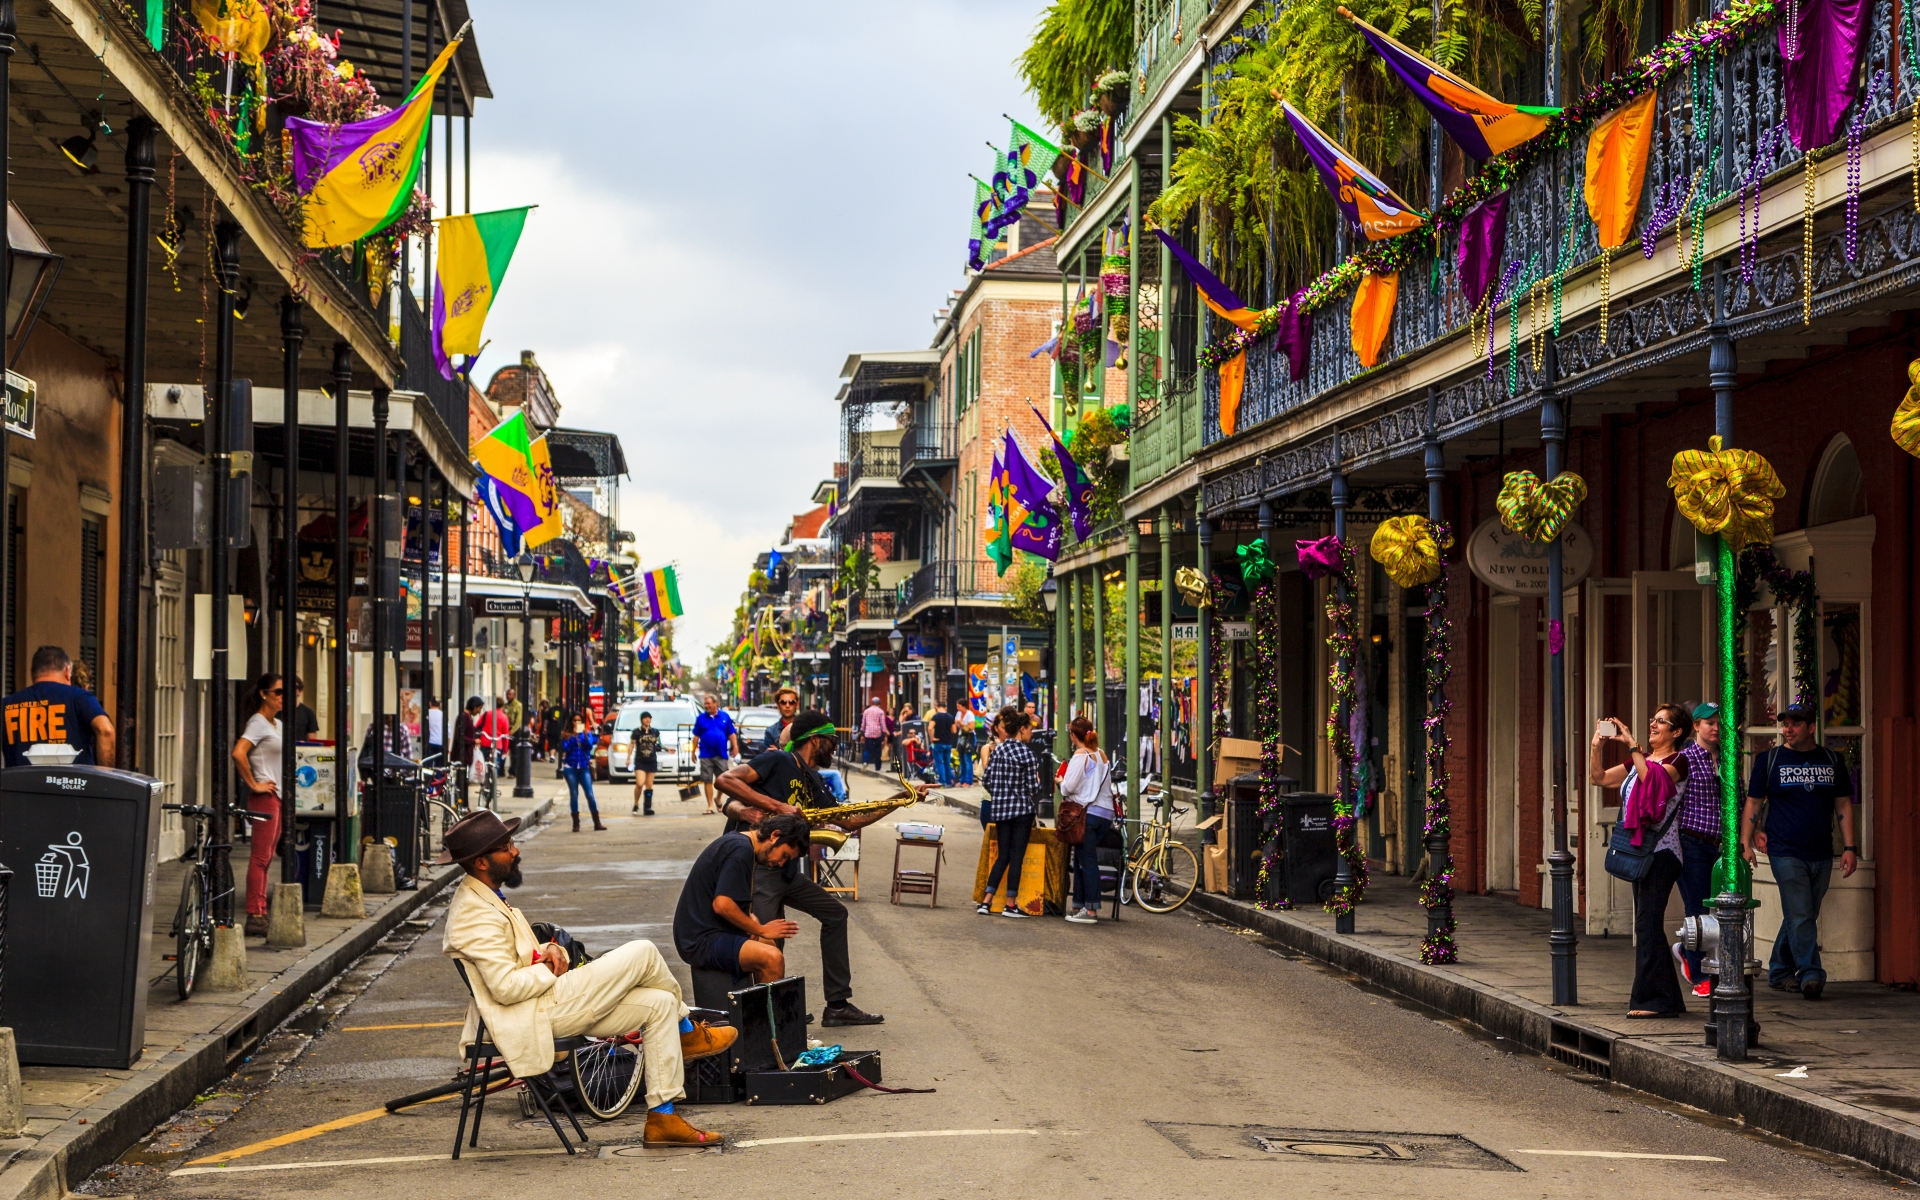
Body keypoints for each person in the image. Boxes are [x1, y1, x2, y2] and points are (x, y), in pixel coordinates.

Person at [438, 810, 736, 1147]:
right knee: (644, 951)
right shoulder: (472, 915)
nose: (516, 851)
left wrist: (550, 949)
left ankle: (662, 1118)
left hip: (544, 1002)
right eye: (507, 846)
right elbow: (505, 988)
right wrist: (549, 967)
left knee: (661, 1003)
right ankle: (687, 1032)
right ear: (481, 862)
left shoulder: (485, 896)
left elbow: (518, 957)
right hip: (533, 1012)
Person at [714, 709, 897, 1026]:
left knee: (835, 913)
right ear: (815, 740)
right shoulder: (778, 761)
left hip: (785, 870)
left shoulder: (813, 779)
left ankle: (837, 1006)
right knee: (769, 942)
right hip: (759, 868)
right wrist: (776, 806)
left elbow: (849, 819)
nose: (835, 748)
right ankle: (771, 1019)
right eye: (832, 741)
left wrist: (897, 800)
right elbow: (725, 780)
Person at [1743, 703, 1858, 1000]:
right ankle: (1811, 973)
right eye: (1785, 724)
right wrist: (1746, 841)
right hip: (1784, 849)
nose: (1787, 730)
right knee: (1801, 913)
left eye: (1794, 724)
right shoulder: (1770, 760)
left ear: (1811, 726)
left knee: (1802, 913)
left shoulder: (1831, 759)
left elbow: (1843, 804)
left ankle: (1780, 969)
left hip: (1821, 850)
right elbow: (1754, 803)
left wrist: (1849, 847)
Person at [1592, 705, 1691, 1018]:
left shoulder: (1678, 761)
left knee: (1648, 924)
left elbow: (1652, 782)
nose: (1654, 724)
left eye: (1661, 722)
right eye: (1653, 719)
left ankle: (1652, 1001)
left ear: (1676, 732)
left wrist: (1632, 744)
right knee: (1648, 926)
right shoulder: (1640, 761)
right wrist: (1597, 747)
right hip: (1641, 851)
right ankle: (1669, 1000)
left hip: (1663, 853)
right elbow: (1599, 778)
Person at [673, 813, 810, 985]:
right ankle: (766, 1012)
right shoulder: (741, 850)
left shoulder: (739, 843)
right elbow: (722, 905)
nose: (781, 863)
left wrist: (750, 920)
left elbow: (730, 897)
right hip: (699, 940)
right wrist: (760, 929)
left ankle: (757, 1005)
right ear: (774, 836)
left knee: (769, 944)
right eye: (784, 855)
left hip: (711, 930)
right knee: (772, 958)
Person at [1674, 701, 1725, 996]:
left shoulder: (1727, 758)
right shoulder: (1686, 758)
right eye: (1709, 722)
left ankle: (1691, 952)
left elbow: (1739, 798)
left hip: (1720, 846)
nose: (1715, 727)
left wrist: (1750, 834)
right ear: (1696, 726)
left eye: (1719, 722)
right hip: (1692, 842)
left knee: (1722, 911)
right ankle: (1697, 974)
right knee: (1697, 909)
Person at [231, 673, 286, 938]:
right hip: (264, 796)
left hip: (276, 797)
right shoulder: (258, 722)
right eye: (277, 692)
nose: (282, 697)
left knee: (267, 858)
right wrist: (254, 784)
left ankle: (260, 911)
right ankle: (255, 914)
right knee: (260, 857)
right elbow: (238, 752)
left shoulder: (277, 725)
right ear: (264, 694)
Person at [1, 645, 113, 767]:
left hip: (20, 784)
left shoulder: (6, 704)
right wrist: (105, 778)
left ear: (32, 674)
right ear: (67, 671)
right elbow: (106, 730)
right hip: (74, 783)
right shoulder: (79, 698)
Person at [978, 707, 1042, 919]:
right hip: (1022, 811)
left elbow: (986, 780)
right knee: (1017, 857)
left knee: (1002, 856)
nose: (1031, 734)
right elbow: (1033, 788)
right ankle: (1010, 904)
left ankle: (986, 901)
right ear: (1021, 729)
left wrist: (1002, 793)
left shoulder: (998, 751)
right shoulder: (1026, 754)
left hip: (1001, 810)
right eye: (1030, 730)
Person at [1060, 717, 1118, 924]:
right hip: (1104, 815)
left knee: (1088, 861)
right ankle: (1078, 904)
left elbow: (1069, 787)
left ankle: (1091, 909)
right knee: (1081, 859)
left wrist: (1060, 781)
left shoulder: (1080, 755)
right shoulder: (1101, 755)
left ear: (1073, 736)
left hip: (1087, 815)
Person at [692, 694, 738, 815]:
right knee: (707, 780)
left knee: (722, 779)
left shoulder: (724, 716)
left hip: (721, 753)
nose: (706, 706)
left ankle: (718, 798)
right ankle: (710, 806)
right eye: (705, 703)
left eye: (708, 703)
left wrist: (735, 747)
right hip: (706, 753)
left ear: (715, 703)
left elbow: (731, 733)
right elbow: (696, 736)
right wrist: (693, 751)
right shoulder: (701, 718)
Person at [561, 711, 605, 832]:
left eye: (579, 720)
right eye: (574, 720)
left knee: (590, 794)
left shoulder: (586, 733)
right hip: (571, 767)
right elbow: (565, 748)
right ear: (571, 722)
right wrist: (574, 736)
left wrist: (583, 735)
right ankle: (576, 824)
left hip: (584, 767)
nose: (577, 722)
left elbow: (589, 746)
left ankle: (597, 822)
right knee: (574, 794)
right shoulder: (566, 734)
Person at [452, 696, 484, 805]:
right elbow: (460, 737)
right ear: (474, 707)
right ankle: (462, 804)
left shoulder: (467, 717)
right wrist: (473, 741)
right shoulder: (464, 717)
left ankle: (464, 804)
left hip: (465, 755)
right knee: (462, 782)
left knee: (464, 781)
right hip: (462, 755)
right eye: (479, 708)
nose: (479, 711)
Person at [631, 711, 661, 815]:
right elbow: (631, 745)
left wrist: (665, 748)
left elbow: (658, 743)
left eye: (649, 718)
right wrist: (628, 758)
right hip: (640, 760)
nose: (647, 720)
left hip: (651, 760)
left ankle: (647, 807)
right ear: (641, 720)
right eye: (645, 718)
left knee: (649, 785)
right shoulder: (636, 732)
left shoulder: (655, 732)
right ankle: (636, 804)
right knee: (640, 783)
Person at [930, 699, 958, 788]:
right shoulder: (950, 717)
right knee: (947, 762)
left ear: (937, 707)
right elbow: (954, 730)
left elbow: (930, 728)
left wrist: (932, 738)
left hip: (938, 742)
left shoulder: (936, 717)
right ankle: (949, 782)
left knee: (939, 762)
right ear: (945, 707)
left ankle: (942, 781)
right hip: (948, 742)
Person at [478, 699, 511, 774]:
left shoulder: (486, 714)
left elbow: (477, 725)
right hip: (498, 744)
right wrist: (505, 750)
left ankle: (484, 779)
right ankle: (494, 779)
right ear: (502, 706)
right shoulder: (504, 717)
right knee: (496, 764)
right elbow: (506, 735)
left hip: (485, 742)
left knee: (484, 762)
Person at [290, 677, 321, 742]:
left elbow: (312, 741)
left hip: (300, 750)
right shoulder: (275, 711)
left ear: (300, 691)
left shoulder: (308, 713)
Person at [859, 696, 887, 766]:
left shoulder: (866, 711)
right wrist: (884, 735)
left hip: (868, 733)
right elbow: (883, 724)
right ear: (878, 702)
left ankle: (865, 762)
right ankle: (877, 766)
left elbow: (863, 724)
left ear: (872, 702)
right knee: (878, 750)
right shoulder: (881, 711)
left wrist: (862, 734)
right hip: (878, 733)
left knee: (867, 749)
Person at [424, 697, 445, 763]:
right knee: (439, 766)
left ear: (430, 703)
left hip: (430, 742)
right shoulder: (443, 715)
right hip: (440, 743)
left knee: (428, 765)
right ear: (440, 704)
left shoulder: (427, 713)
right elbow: (448, 732)